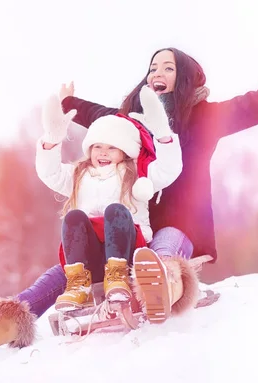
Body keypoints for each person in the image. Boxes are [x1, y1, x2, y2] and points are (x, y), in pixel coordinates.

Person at [0, 45, 258, 360]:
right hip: (121, 230)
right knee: (64, 272)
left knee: (162, 250)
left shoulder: (205, 117)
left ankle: (158, 288)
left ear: (187, 77)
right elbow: (95, 115)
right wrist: (66, 104)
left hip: (178, 228)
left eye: (169, 67)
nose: (158, 71)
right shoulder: (128, 122)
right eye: (153, 66)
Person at [36, 86, 183, 318]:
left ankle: (118, 276)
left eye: (111, 148)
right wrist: (51, 142)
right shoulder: (79, 174)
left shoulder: (135, 173)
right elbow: (50, 173)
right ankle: (78, 283)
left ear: (124, 151)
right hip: (92, 254)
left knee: (116, 211)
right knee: (74, 217)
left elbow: (169, 169)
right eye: (97, 147)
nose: (103, 153)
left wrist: (164, 135)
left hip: (127, 249)